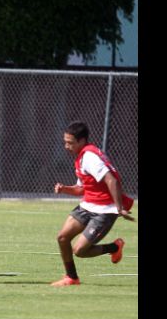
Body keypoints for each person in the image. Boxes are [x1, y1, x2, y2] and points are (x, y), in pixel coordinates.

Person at [50, 121, 135, 286]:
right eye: (65, 142)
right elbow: (82, 188)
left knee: (79, 251)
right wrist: (64, 189)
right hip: (88, 205)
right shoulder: (82, 156)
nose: (66, 146)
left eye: (70, 143)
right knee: (62, 238)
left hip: (104, 210)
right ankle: (71, 278)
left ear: (82, 141)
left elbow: (111, 180)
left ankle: (114, 247)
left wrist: (119, 208)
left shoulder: (90, 157)